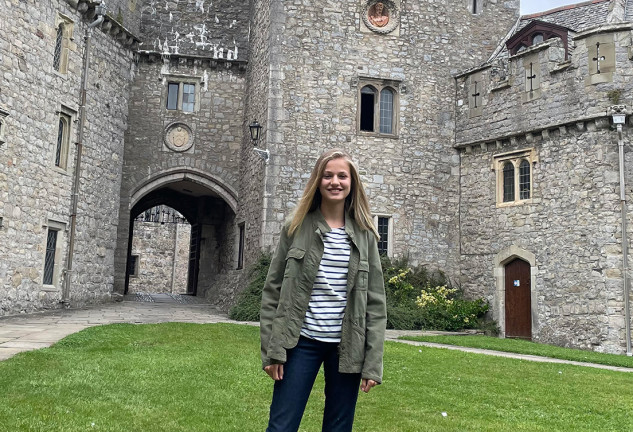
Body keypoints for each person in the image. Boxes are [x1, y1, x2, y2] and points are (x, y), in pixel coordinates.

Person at [260, 149, 387, 432]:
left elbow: (376, 304)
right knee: (281, 426)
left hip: (347, 346)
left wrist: (373, 363)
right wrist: (272, 350)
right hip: (299, 342)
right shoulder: (295, 227)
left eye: (342, 176)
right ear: (318, 181)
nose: (335, 181)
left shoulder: (366, 235)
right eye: (327, 175)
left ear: (352, 183)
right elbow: (273, 290)